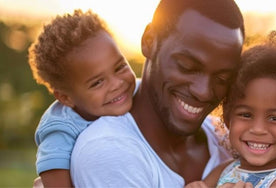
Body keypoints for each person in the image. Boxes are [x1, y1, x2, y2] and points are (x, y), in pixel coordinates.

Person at [69, 0, 245, 187]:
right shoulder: (108, 150)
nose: (203, 92)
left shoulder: (225, 139)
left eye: (222, 79)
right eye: (187, 67)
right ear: (149, 41)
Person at [186, 32, 276, 188]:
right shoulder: (222, 171)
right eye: (246, 115)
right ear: (228, 118)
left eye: (274, 118)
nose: (258, 129)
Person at [28, 10, 137, 187]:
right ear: (66, 98)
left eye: (120, 67)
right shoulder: (60, 129)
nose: (117, 84)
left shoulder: (134, 93)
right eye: (98, 82)